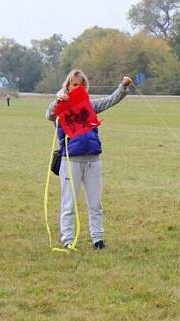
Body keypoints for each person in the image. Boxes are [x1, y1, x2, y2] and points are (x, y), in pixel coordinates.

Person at [45, 69, 132, 250]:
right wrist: (58, 101)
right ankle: (68, 240)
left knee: (95, 203)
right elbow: (49, 115)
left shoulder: (90, 105)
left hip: (93, 160)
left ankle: (98, 239)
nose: (78, 88)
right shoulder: (61, 107)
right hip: (71, 162)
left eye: (82, 85)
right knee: (69, 204)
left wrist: (123, 87)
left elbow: (111, 100)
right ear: (68, 86)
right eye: (75, 84)